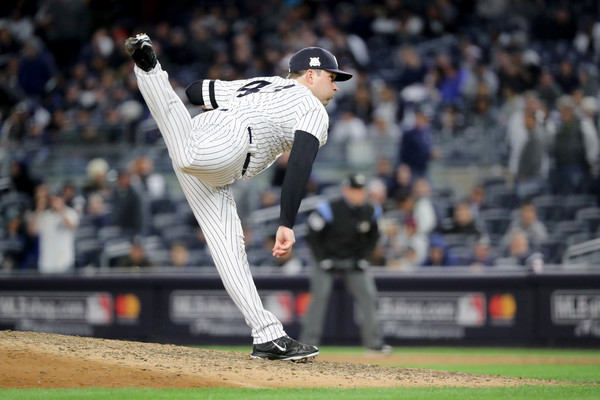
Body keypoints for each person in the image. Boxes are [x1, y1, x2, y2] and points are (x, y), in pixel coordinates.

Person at [125, 33, 353, 361]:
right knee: (187, 153)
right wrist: (286, 222)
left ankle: (267, 336)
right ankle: (150, 71)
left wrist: (231, 97)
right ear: (311, 75)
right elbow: (300, 165)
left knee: (230, 252)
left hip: (218, 160)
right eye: (332, 78)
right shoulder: (311, 107)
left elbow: (195, 91)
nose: (336, 87)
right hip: (230, 139)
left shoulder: (262, 83)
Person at [301, 174, 390, 353]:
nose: (359, 194)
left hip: (353, 259)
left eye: (361, 190)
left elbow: (374, 237)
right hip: (326, 258)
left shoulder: (370, 210)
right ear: (345, 191)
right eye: (355, 190)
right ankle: (307, 345)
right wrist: (322, 257)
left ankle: (374, 345)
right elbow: (311, 234)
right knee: (319, 297)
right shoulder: (329, 208)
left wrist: (365, 258)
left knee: (369, 296)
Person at [29, 189, 79, 273]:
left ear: (63, 200)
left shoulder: (70, 213)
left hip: (64, 262)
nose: (54, 202)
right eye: (53, 200)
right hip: (46, 263)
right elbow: (32, 232)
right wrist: (38, 210)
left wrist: (61, 211)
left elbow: (72, 227)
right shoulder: (44, 215)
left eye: (57, 199)